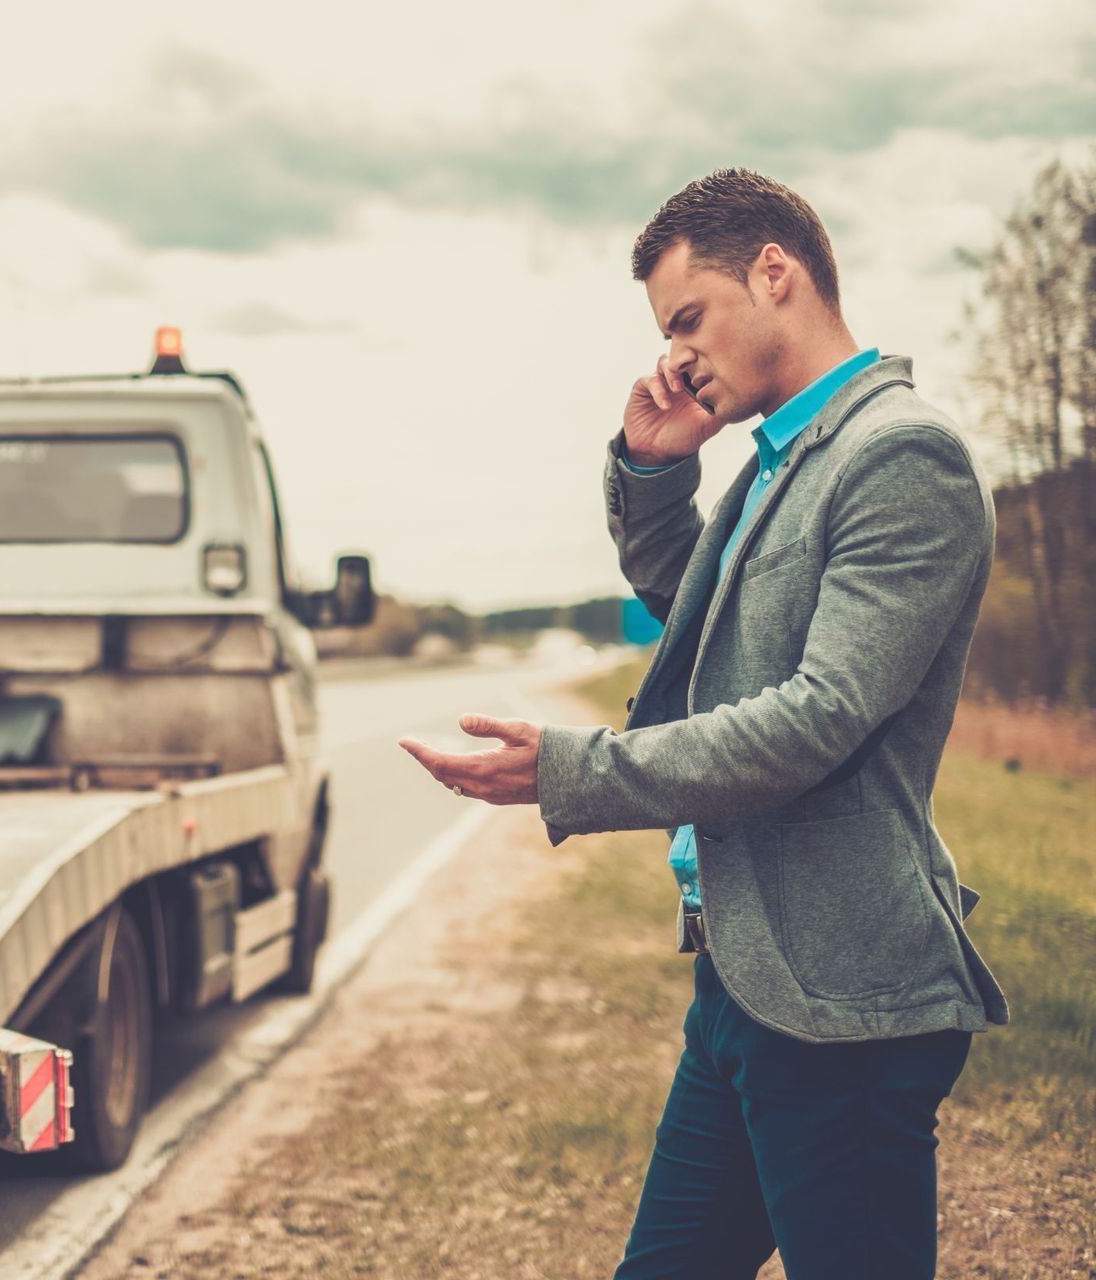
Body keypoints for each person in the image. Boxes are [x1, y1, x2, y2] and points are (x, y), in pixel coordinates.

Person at [398, 168, 1007, 1279]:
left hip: (843, 1002)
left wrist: (572, 770)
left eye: (689, 318)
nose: (677, 355)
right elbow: (708, 624)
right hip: (746, 975)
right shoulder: (784, 457)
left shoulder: (898, 455)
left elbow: (812, 720)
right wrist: (653, 469)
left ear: (774, 272)